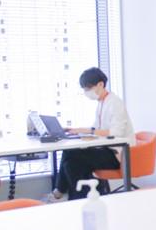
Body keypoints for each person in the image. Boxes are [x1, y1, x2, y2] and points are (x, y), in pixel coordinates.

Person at [45, 67, 136, 202]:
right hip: (106, 149)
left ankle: (64, 194)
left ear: (100, 84)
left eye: (88, 88)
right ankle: (74, 197)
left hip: (118, 154)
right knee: (71, 158)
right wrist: (77, 130)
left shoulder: (115, 103)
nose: (86, 92)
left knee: (72, 157)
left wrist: (90, 132)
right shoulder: (102, 103)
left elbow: (116, 133)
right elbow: (96, 128)